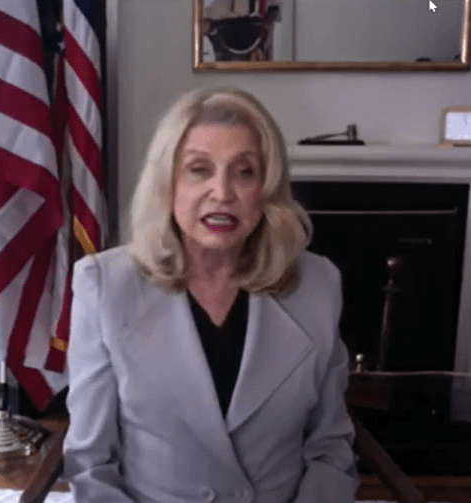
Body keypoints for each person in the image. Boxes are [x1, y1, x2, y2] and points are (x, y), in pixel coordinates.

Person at [61, 87, 358, 503]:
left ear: (267, 189)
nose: (223, 192)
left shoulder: (317, 284)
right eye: (199, 170)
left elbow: (330, 449)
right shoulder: (104, 286)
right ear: (167, 184)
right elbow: (91, 464)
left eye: (245, 172)